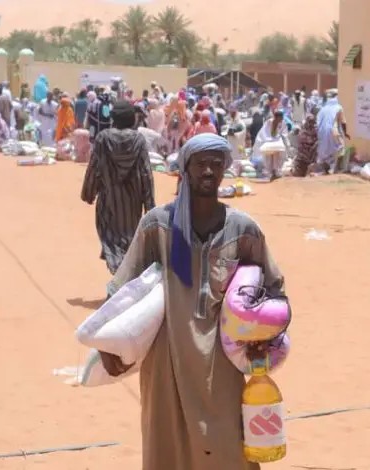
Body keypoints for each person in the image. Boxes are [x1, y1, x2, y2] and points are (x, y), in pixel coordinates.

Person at [104, 133, 284, 470]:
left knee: (229, 446)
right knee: (166, 448)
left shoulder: (243, 230)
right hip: (166, 361)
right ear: (185, 169)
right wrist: (108, 344)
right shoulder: (157, 225)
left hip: (223, 365)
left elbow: (274, 291)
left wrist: (265, 339)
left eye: (217, 164)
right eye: (201, 163)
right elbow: (121, 290)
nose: (209, 171)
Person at [81, 101, 155, 275]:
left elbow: (94, 167)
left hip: (109, 201)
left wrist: (88, 193)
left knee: (111, 239)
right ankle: (125, 277)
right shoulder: (138, 139)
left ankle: (120, 276)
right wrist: (150, 206)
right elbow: (146, 173)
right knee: (130, 240)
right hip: (133, 203)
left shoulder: (103, 138)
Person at [316, 90, 349, 174]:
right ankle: (337, 170)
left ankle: (326, 169)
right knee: (341, 147)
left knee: (326, 151)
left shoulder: (323, 108)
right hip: (333, 131)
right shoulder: (338, 107)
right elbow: (343, 122)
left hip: (321, 132)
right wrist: (345, 133)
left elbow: (318, 120)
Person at [251, 109, 288, 180]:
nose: (281, 120)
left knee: (278, 155)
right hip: (268, 139)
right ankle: (269, 171)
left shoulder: (283, 123)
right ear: (275, 117)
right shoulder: (269, 122)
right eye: (280, 118)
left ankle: (276, 171)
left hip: (277, 140)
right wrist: (269, 140)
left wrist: (281, 138)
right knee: (268, 156)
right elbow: (264, 132)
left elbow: (284, 132)